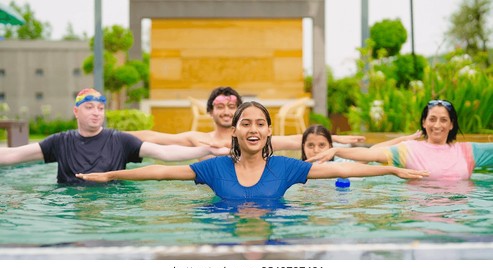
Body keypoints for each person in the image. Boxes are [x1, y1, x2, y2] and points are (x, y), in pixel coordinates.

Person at [76, 101, 429, 200]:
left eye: (260, 123)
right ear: (235, 131)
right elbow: (159, 171)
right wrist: (112, 174)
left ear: (269, 130)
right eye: (245, 123)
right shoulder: (214, 168)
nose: (253, 129)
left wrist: (391, 169)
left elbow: (342, 170)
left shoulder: (287, 167)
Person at [0, 88, 227, 184]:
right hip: (69, 204)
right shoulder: (60, 141)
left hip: (112, 201)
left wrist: (206, 150)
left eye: (100, 108)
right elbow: (12, 156)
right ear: (76, 111)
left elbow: (164, 153)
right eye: (89, 107)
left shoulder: (119, 140)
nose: (96, 113)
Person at [126, 86, 366, 160]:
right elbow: (156, 136)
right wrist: (111, 135)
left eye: (232, 107)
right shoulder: (198, 139)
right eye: (220, 107)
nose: (226, 111)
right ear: (210, 111)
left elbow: (297, 140)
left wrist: (336, 138)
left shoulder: (255, 139)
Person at [306, 100, 493, 180]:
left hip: (461, 215)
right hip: (420, 217)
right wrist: (337, 150)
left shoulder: (468, 151)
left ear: (452, 124)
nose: (437, 125)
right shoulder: (409, 149)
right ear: (424, 122)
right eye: (432, 119)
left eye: (444, 120)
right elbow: (370, 153)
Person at [301, 124, 422, 161]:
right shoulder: (294, 168)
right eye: (310, 145)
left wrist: (402, 140)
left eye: (322, 145)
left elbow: (371, 152)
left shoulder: (340, 164)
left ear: (330, 146)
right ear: (303, 147)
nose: (316, 150)